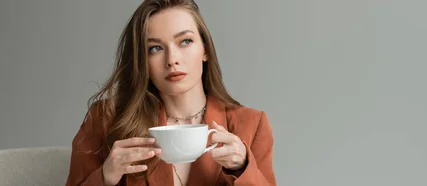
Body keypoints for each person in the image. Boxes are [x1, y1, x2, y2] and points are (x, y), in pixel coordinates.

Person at [65, 0, 276, 185]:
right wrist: (104, 177)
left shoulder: (251, 125)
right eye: (155, 48)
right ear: (142, 61)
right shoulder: (105, 118)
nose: (172, 59)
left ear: (205, 49)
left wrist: (243, 168)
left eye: (185, 41)